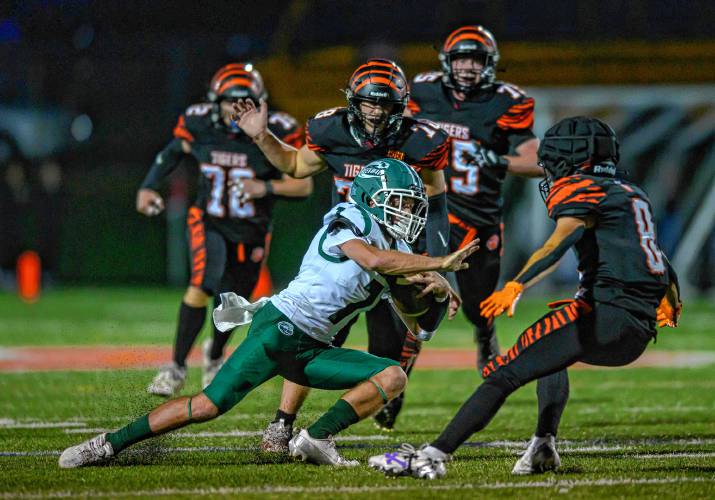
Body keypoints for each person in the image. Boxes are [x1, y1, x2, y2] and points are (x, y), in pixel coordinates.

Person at [59, 158, 476, 469]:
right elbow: (371, 260)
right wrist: (434, 265)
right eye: (399, 202)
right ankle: (108, 444)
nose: (407, 212)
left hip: (314, 347)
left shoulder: (396, 252)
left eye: (409, 204)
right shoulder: (349, 217)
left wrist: (434, 294)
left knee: (393, 375)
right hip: (279, 327)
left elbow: (414, 322)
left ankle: (316, 437)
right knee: (207, 406)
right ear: (371, 198)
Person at [367, 116, 682, 479]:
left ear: (568, 160)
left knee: (503, 376)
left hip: (602, 316)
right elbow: (656, 255)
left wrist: (517, 284)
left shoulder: (582, 189)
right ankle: (542, 446)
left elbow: (557, 243)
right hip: (636, 329)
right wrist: (670, 296)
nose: (547, 172)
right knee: (550, 356)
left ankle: (432, 455)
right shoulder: (632, 193)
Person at [232, 58, 453, 443]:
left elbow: (435, 199)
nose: (375, 112)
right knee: (315, 334)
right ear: (354, 101)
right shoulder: (331, 129)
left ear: (400, 106)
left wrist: (437, 265)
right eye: (368, 103)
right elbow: (296, 165)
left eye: (384, 104)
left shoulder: (420, 140)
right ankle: (283, 422)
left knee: (387, 348)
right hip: (347, 249)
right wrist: (261, 135)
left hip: (394, 250)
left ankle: (350, 417)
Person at [137, 63, 312, 396]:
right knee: (203, 282)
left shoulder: (277, 129)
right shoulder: (200, 123)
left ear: (259, 102)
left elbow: (302, 187)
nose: (237, 110)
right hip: (210, 220)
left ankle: (214, 355)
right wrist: (148, 186)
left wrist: (266, 188)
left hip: (253, 229)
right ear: (215, 102)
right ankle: (175, 367)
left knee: (233, 303)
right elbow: (174, 150)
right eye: (230, 102)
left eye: (245, 102)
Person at [407, 25, 543, 380]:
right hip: (429, 209)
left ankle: (484, 334)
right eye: (460, 58)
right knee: (414, 292)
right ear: (446, 62)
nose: (467, 66)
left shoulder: (507, 101)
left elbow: (537, 161)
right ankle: (401, 363)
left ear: (490, 63)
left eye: (476, 59)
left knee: (478, 303)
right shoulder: (423, 90)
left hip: (478, 216)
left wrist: (501, 161)